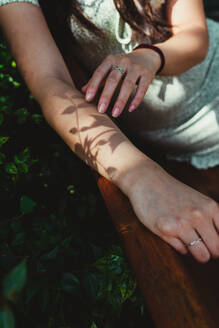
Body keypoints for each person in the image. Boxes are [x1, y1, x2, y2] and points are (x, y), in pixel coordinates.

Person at [1, 0, 219, 264]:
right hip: (185, 137)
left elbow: (194, 36)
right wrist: (140, 176)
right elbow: (50, 83)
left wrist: (149, 56)